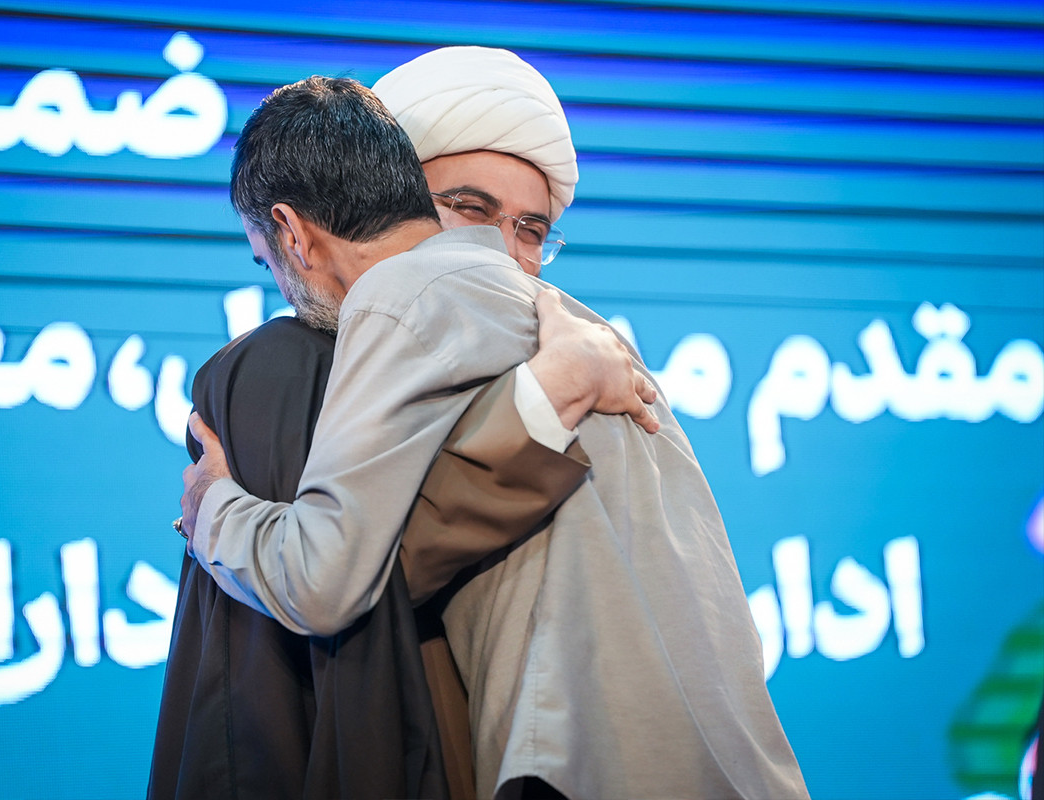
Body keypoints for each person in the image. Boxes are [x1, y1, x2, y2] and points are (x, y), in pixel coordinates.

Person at [182, 73, 809, 799]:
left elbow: (333, 581)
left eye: (266, 263)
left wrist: (212, 509)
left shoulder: (394, 300)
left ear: (291, 232)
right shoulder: (573, 325)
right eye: (475, 207)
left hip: (590, 760)